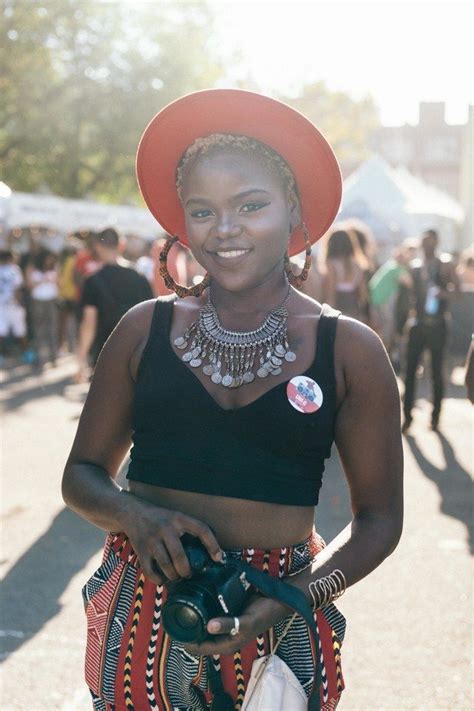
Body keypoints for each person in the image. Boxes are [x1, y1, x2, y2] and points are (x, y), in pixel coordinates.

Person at [62, 90, 403, 710]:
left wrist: (291, 597)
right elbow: (82, 476)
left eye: (251, 205)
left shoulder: (350, 350)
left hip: (286, 616)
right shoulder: (144, 329)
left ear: (293, 207)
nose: (225, 230)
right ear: (183, 223)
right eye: (203, 211)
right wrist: (136, 516)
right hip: (144, 609)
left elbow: (380, 521)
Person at [76, 228, 153, 381]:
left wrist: (81, 359)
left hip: (105, 354)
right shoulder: (140, 278)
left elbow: (89, 324)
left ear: (98, 246)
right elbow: (151, 316)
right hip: (138, 353)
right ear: (121, 245)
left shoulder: (93, 281)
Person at [402, 229, 459, 432]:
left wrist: (444, 292)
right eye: (424, 242)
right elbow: (409, 296)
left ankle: (435, 417)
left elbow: (457, 292)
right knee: (409, 372)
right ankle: (407, 416)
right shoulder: (416, 267)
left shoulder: (444, 265)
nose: (427, 246)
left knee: (436, 371)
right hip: (418, 324)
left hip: (438, 324)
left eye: (431, 242)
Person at [320, 226, 369, 321]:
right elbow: (363, 293)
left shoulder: (332, 263)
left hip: (338, 301)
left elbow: (331, 289)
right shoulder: (358, 264)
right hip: (353, 303)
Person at [27, 248, 59, 368]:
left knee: (52, 329)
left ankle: (53, 357)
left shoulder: (54, 267)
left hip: (51, 300)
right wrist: (42, 280)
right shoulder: (33, 268)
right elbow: (29, 284)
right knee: (39, 330)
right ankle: (40, 358)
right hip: (38, 301)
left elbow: (58, 283)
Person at [0, 250, 27, 359]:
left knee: (1, 332)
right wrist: (19, 302)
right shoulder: (14, 270)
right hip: (13, 305)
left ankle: (1, 355)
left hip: (2, 305)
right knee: (20, 331)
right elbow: (18, 288)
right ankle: (27, 354)